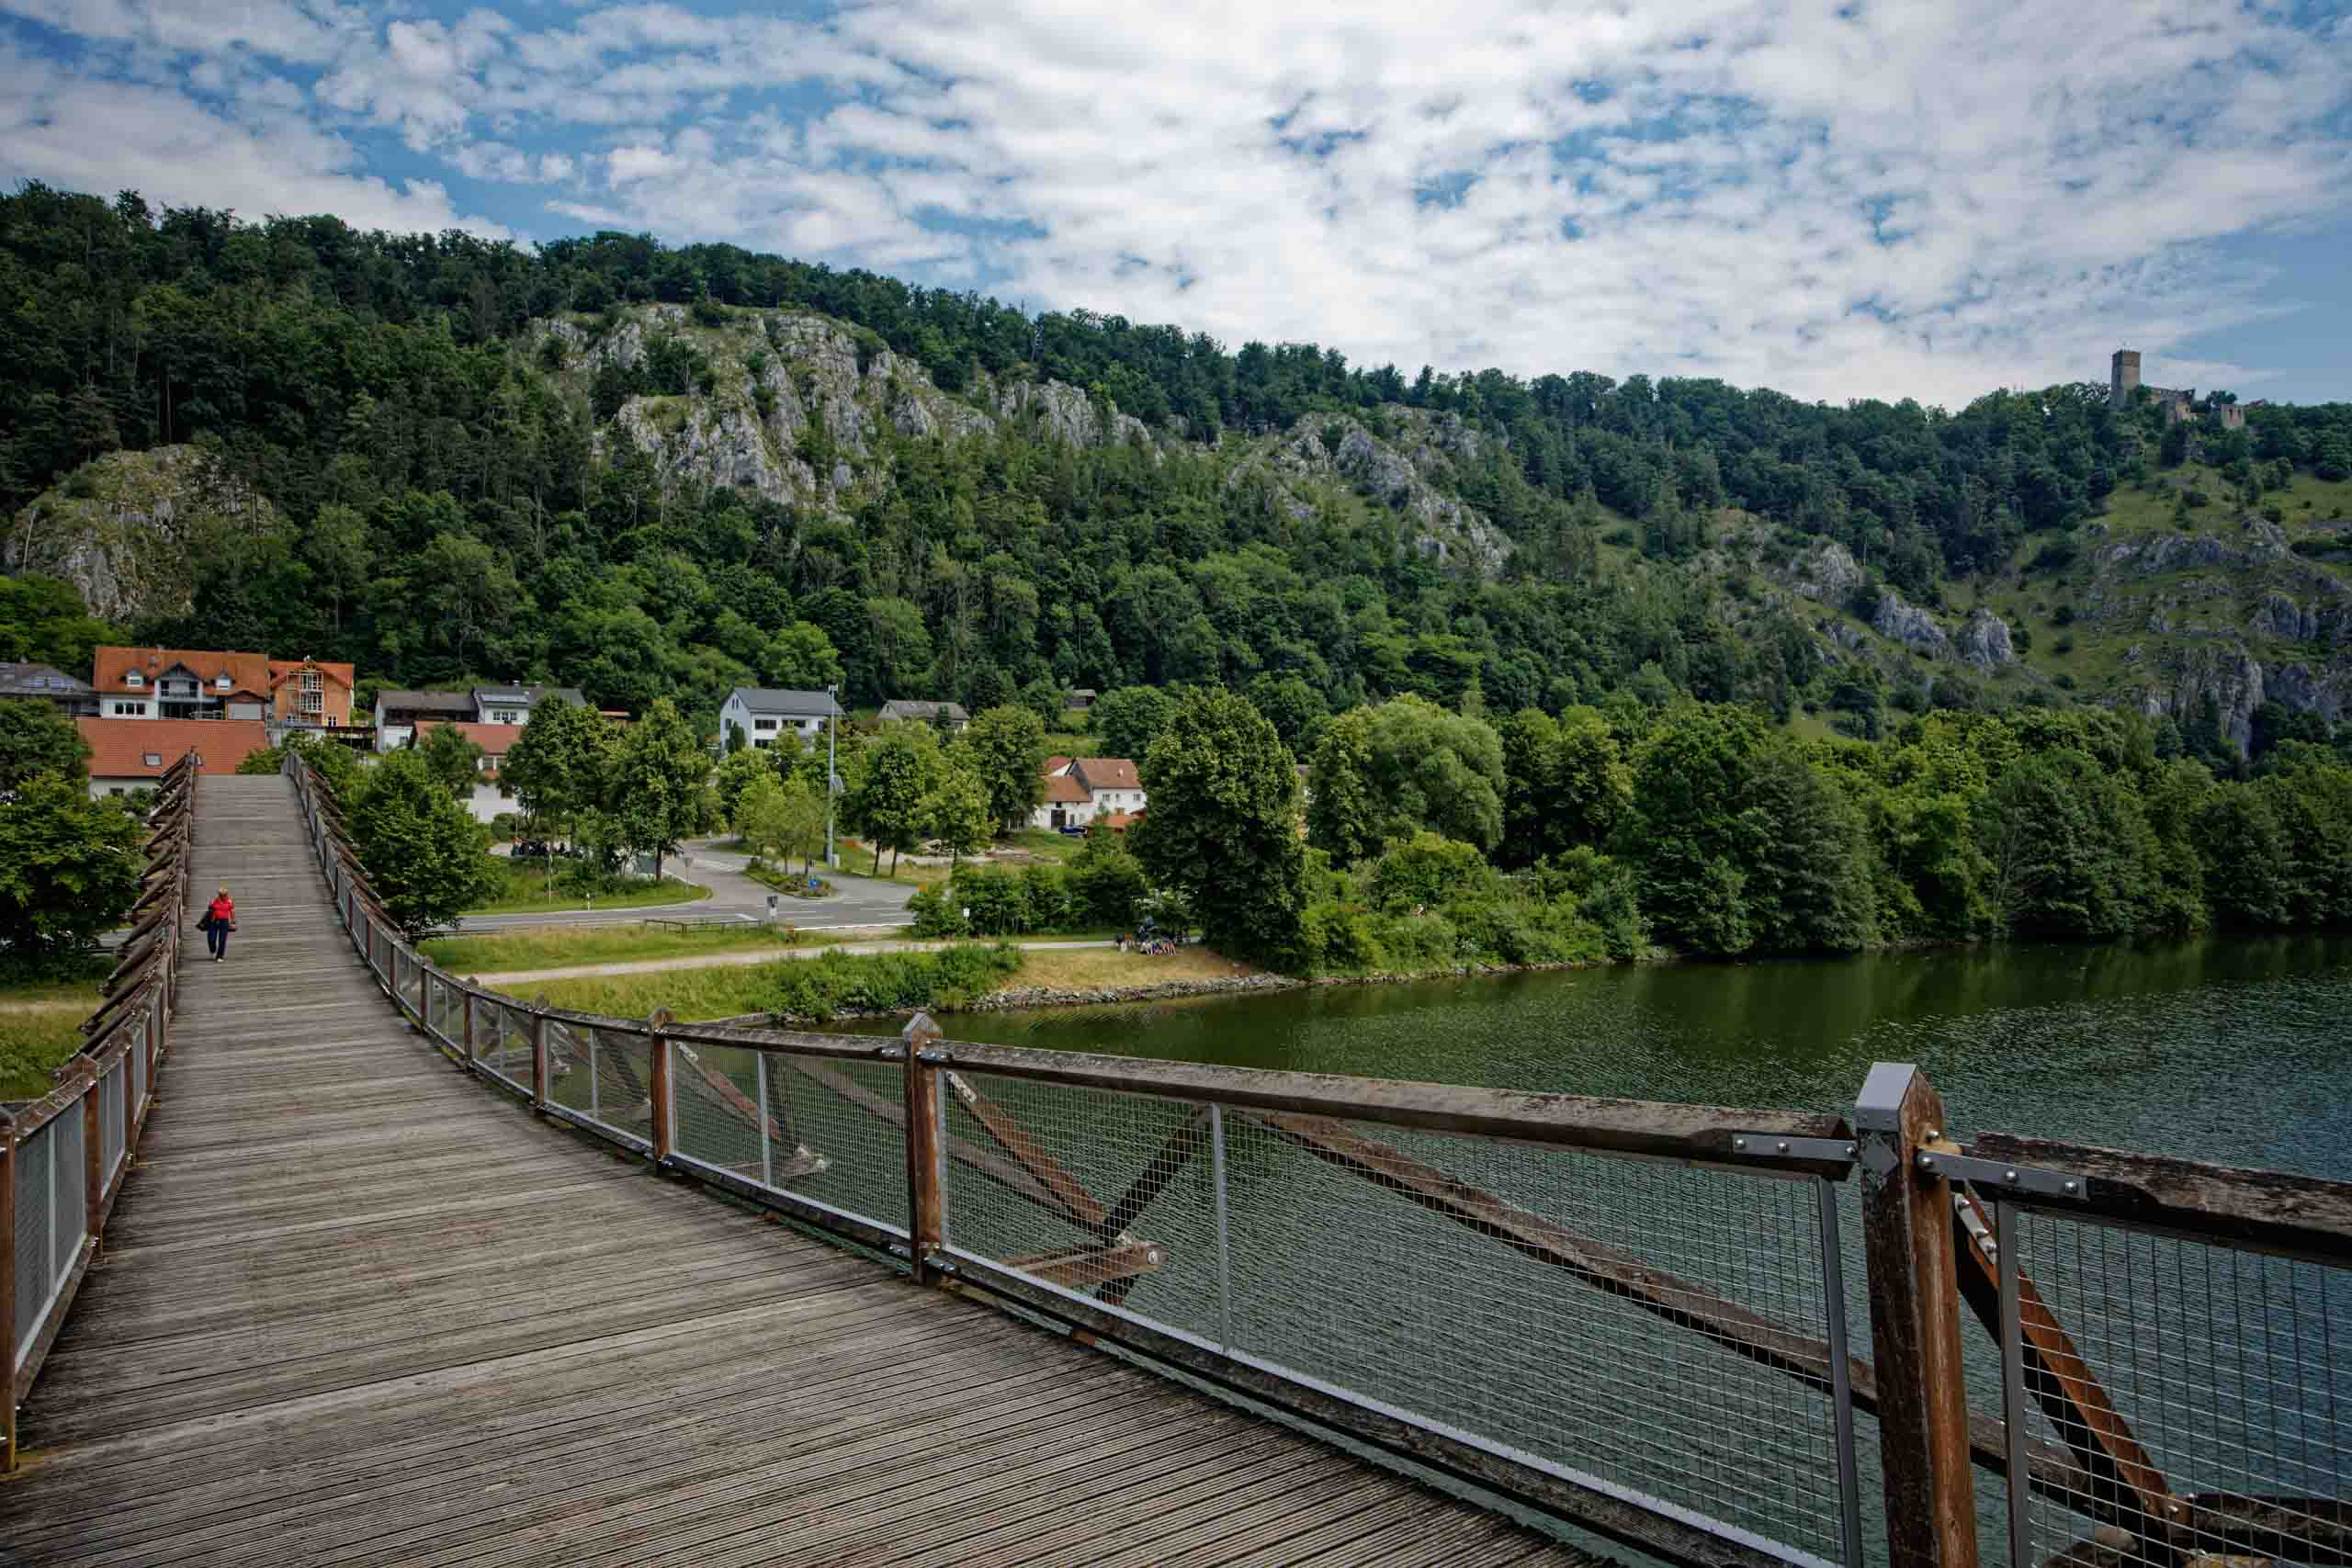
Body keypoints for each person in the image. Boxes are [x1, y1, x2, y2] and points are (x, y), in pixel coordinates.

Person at [202, 886, 236, 962]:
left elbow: (232, 912)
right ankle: (212, 949)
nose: (223, 896)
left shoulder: (229, 902)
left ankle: (220, 956)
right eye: (221, 895)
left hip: (224, 922)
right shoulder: (213, 901)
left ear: (227, 895)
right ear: (219, 895)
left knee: (222, 940)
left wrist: (233, 922)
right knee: (211, 938)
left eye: (224, 895)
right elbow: (209, 912)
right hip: (213, 921)